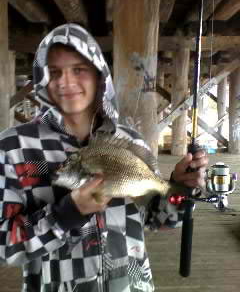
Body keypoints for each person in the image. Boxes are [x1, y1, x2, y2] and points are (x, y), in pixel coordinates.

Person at [0, 23, 208, 292]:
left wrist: (177, 191)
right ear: (41, 79)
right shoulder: (13, 146)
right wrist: (64, 216)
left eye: (79, 69)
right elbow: (5, 246)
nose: (65, 81)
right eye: (54, 72)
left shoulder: (130, 140)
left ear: (100, 76)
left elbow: (158, 219)